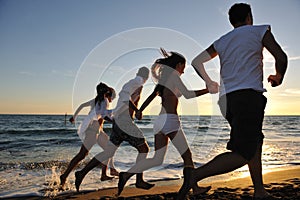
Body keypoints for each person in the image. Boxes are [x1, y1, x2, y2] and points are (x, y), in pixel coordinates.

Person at [177, 3, 287, 199]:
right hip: (247, 98)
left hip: (226, 101)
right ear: (249, 17)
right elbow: (281, 56)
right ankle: (195, 175)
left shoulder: (223, 40)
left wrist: (209, 82)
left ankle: (259, 191)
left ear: (231, 21)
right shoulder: (259, 31)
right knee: (243, 152)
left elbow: (196, 61)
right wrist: (278, 77)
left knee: (255, 141)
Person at [117, 49, 211, 195]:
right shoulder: (174, 75)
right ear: (178, 65)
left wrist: (140, 110)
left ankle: (127, 174)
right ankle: (195, 188)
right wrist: (207, 90)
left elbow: (151, 96)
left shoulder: (164, 81)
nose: (184, 71)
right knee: (187, 157)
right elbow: (187, 94)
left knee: (157, 159)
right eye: (183, 67)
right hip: (170, 120)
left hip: (159, 122)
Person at [74, 67, 155, 192]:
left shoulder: (135, 83)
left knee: (108, 153)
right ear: (146, 77)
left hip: (118, 123)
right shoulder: (137, 82)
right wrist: (137, 110)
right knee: (144, 148)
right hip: (124, 122)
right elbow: (124, 97)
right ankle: (138, 180)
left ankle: (81, 173)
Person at [60, 83, 119, 188]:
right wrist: (114, 121)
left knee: (109, 148)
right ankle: (64, 176)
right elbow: (105, 115)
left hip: (97, 130)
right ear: (108, 94)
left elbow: (83, 106)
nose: (111, 100)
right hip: (93, 130)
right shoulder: (104, 100)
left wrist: (74, 117)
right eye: (112, 98)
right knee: (82, 154)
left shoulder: (97, 100)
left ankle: (104, 174)